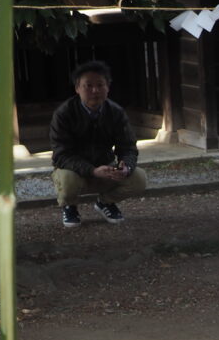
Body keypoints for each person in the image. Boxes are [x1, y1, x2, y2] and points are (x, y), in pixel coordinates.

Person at [49, 60, 148, 228]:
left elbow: (128, 147)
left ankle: (105, 203)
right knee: (67, 181)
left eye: (100, 85)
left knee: (139, 178)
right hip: (74, 171)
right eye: (88, 86)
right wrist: (92, 170)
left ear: (107, 88)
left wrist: (126, 167)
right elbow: (61, 154)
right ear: (77, 88)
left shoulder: (116, 112)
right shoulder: (64, 113)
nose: (95, 91)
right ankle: (70, 206)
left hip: (106, 167)